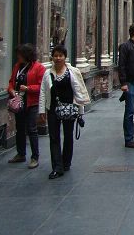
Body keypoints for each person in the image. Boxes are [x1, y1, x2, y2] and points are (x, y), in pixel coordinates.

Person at [39, 45, 90, 179]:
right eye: (55, 55)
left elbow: (79, 92)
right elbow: (43, 92)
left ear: (65, 57)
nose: (58, 58)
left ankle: (66, 162)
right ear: (52, 57)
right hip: (52, 108)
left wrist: (80, 112)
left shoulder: (72, 72)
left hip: (69, 108)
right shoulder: (48, 73)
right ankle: (57, 167)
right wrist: (41, 110)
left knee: (68, 136)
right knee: (54, 137)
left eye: (60, 55)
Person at [7, 44, 46, 168]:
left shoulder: (39, 68)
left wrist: (28, 88)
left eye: (20, 54)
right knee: (19, 128)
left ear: (26, 55)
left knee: (32, 129)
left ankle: (35, 157)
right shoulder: (17, 66)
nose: (17, 57)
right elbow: (11, 82)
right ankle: (21, 153)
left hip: (32, 102)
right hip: (19, 102)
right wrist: (11, 90)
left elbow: (42, 86)